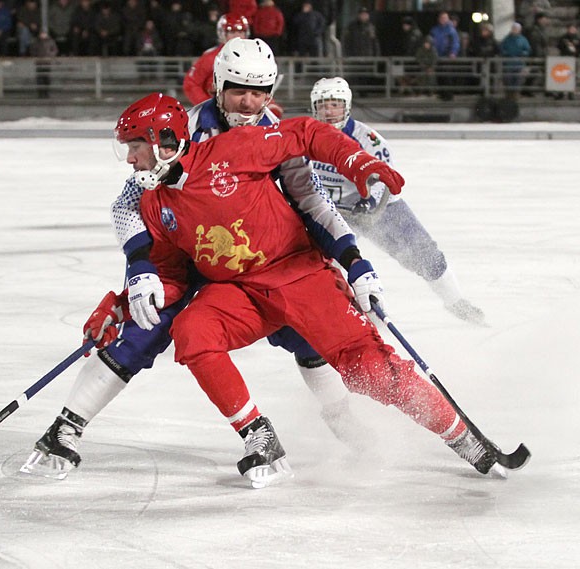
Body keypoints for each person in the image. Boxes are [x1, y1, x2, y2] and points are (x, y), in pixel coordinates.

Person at [23, 38, 377, 481]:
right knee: (142, 325)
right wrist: (140, 270)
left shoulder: (275, 132)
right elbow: (127, 203)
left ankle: (340, 418)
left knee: (306, 330)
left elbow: (312, 202)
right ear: (217, 85)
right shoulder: (184, 128)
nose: (249, 103)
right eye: (237, 91)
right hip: (187, 254)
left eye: (260, 91)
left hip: (259, 256)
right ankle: (66, 429)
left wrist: (353, 258)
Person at [114, 92, 502, 486]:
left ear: (165, 140)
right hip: (239, 292)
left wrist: (358, 162)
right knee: (193, 331)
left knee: (371, 370)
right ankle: (259, 436)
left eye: (136, 147)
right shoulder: (153, 203)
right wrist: (122, 302)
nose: (130, 159)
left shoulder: (234, 148)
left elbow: (304, 132)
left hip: (300, 275)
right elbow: (170, 275)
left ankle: (463, 439)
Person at [308, 77, 484, 324]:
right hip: (331, 211)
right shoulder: (306, 136)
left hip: (378, 209)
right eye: (323, 105)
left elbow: (385, 178)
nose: (329, 111)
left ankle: (455, 300)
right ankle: (324, 316)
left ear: (347, 106)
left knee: (425, 255)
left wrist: (369, 202)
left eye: (335, 104)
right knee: (316, 267)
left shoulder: (369, 139)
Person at [182, 13, 249, 106]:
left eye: (241, 32)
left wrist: (271, 107)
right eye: (232, 32)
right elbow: (191, 83)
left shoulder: (253, 56)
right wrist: (206, 105)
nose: (237, 36)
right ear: (222, 34)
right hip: (217, 113)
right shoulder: (211, 57)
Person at [29, 30, 58, 99]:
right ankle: (40, 92)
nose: (43, 35)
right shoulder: (36, 42)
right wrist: (37, 57)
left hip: (47, 62)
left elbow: (55, 50)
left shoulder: (51, 41)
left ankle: (46, 92)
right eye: (42, 34)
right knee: (39, 78)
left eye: (44, 34)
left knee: (47, 78)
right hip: (39, 62)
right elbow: (32, 50)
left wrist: (50, 56)